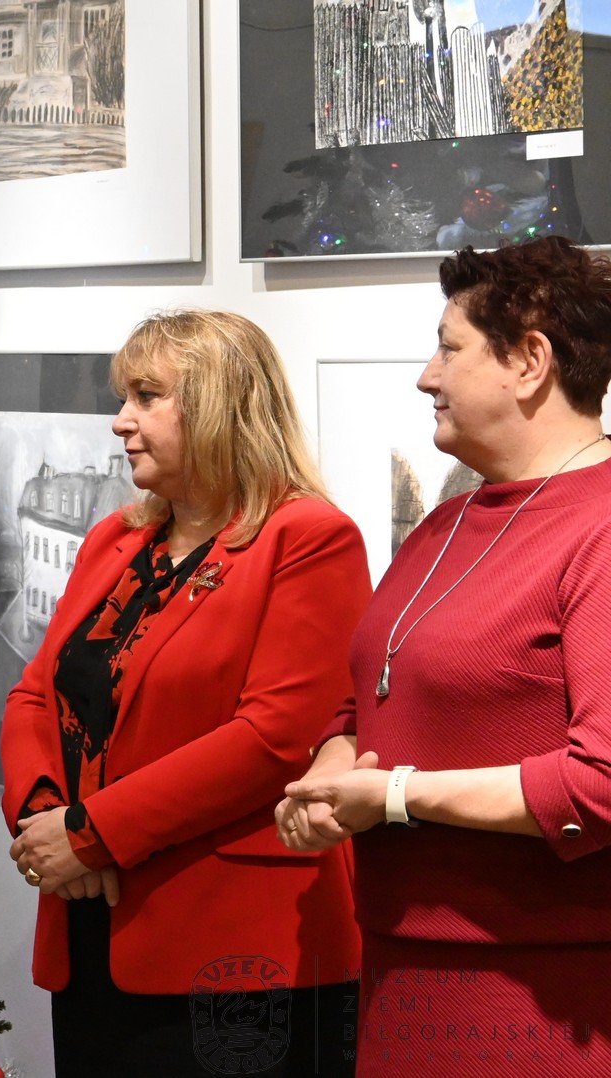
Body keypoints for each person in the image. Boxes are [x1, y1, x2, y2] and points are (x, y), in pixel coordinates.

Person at [1, 309, 367, 1076]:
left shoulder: (308, 537)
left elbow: (274, 739)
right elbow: (35, 696)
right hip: (89, 923)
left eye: (146, 396)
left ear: (220, 405)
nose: (120, 421)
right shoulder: (115, 539)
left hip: (235, 956)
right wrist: (45, 818)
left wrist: (90, 834)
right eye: (124, 397)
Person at [279, 236, 611, 1075]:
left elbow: (601, 784)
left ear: (529, 362)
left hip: (546, 993)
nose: (427, 377)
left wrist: (393, 796)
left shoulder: (601, 529)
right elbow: (370, 692)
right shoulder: (448, 521)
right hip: (402, 969)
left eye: (448, 348)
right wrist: (332, 771)